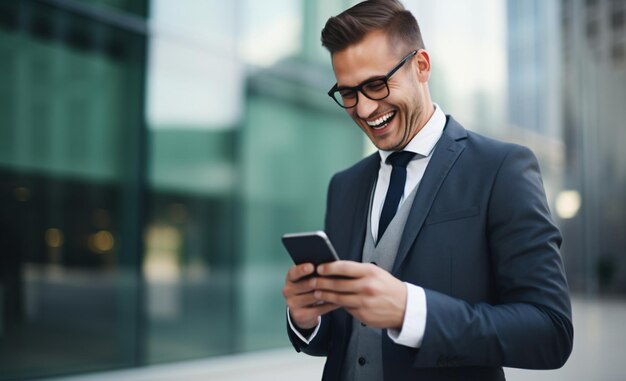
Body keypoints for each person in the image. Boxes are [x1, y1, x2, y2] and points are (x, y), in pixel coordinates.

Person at [281, 1, 573, 380]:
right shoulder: (344, 185)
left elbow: (550, 331)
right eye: (348, 92)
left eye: (376, 84)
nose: (365, 109)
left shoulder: (502, 169)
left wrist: (411, 311)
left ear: (421, 66)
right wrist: (306, 318)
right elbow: (342, 338)